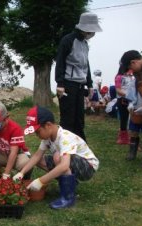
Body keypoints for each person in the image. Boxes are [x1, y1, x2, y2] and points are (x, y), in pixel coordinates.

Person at [13, 106, 99, 209]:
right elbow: (37, 156)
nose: (37, 135)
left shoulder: (65, 137)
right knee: (39, 160)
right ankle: (70, 182)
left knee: (58, 157)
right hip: (70, 163)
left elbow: (64, 166)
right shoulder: (47, 138)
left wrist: (41, 181)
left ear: (48, 125)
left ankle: (68, 198)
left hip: (87, 167)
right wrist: (21, 173)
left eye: (38, 131)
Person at [55, 12, 102, 141]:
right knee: (68, 118)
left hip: (80, 85)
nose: (93, 33)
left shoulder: (85, 44)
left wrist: (90, 84)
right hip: (68, 84)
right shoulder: (68, 40)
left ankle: (80, 144)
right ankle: (65, 146)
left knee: (79, 118)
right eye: (92, 30)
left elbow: (86, 64)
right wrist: (60, 84)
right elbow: (60, 62)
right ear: (85, 28)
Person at [114, 51, 142, 144]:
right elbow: (118, 89)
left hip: (134, 100)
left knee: (134, 119)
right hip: (123, 100)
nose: (130, 70)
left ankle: (133, 140)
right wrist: (129, 95)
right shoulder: (119, 77)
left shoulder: (133, 76)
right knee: (124, 119)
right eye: (128, 68)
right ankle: (123, 138)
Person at [124, 51, 142, 166]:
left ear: (133, 62)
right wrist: (131, 103)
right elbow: (131, 93)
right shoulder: (135, 78)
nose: (131, 71)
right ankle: (132, 151)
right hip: (136, 109)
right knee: (133, 131)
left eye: (130, 67)